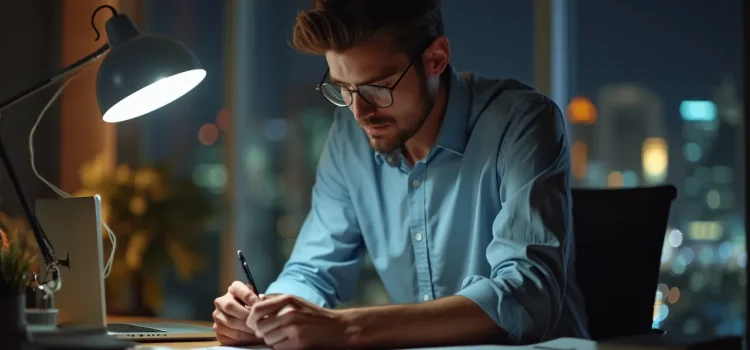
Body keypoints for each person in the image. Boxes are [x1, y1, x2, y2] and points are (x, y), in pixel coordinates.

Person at [213, 0, 590, 348]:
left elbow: (527, 295)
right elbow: (312, 272)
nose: (360, 112)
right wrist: (266, 313)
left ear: (436, 58)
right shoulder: (349, 137)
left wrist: (347, 327)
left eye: (377, 87)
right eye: (343, 88)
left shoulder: (522, 122)